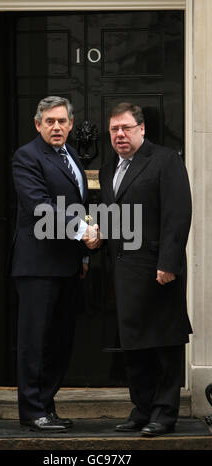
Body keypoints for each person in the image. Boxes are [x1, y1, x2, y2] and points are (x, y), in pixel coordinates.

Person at [99, 102, 192, 437]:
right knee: (133, 345)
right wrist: (97, 235)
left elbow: (177, 216)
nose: (120, 135)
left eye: (126, 128)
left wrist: (168, 263)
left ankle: (164, 414)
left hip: (157, 270)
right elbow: (114, 216)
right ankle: (141, 409)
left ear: (141, 129)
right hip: (124, 273)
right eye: (114, 129)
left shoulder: (165, 160)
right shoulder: (110, 168)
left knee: (164, 343)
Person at [11, 96, 100, 432]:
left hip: (67, 266)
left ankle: (46, 406)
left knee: (60, 342)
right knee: (35, 341)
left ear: (71, 124)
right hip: (36, 267)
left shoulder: (72, 156)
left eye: (62, 121)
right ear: (38, 124)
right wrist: (85, 233)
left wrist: (83, 254)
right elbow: (40, 208)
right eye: (50, 121)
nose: (57, 127)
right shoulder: (26, 157)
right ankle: (32, 411)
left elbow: (77, 206)